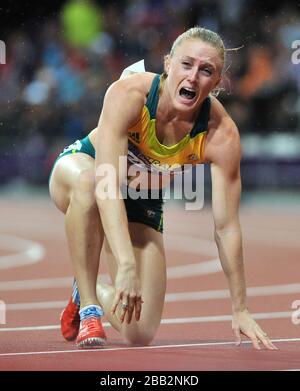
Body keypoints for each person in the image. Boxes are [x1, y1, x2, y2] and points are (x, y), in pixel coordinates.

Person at [49, 27, 277, 350]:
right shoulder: (129, 94)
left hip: (143, 195)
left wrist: (240, 307)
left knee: (140, 332)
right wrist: (125, 263)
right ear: (168, 64)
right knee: (89, 184)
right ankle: (88, 307)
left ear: (217, 83)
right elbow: (106, 185)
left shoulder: (221, 135)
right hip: (87, 170)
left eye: (206, 71)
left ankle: (90, 289)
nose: (194, 77)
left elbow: (226, 227)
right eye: (187, 65)